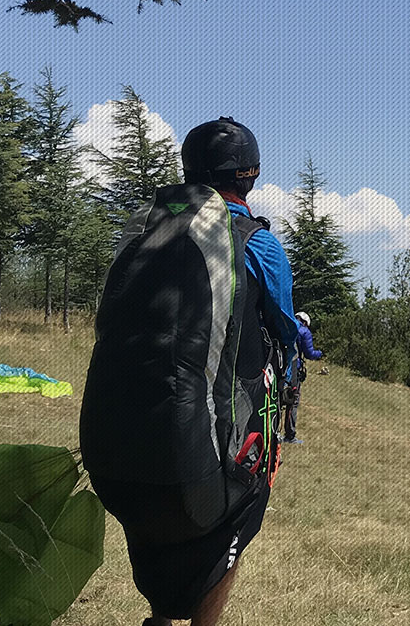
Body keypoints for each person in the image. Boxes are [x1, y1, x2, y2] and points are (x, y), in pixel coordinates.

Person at [85, 117, 306, 626]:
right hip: (203, 466)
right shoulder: (255, 241)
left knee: (160, 528)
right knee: (241, 502)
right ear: (248, 175)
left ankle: (161, 618)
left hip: (112, 457)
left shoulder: (145, 229)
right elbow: (284, 330)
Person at [282, 311, 323, 444]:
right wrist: (320, 353)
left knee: (276, 398)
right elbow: (309, 353)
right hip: (293, 368)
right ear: (305, 322)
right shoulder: (304, 331)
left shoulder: (285, 323)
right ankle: (290, 435)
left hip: (278, 365)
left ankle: (273, 431)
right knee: (292, 400)